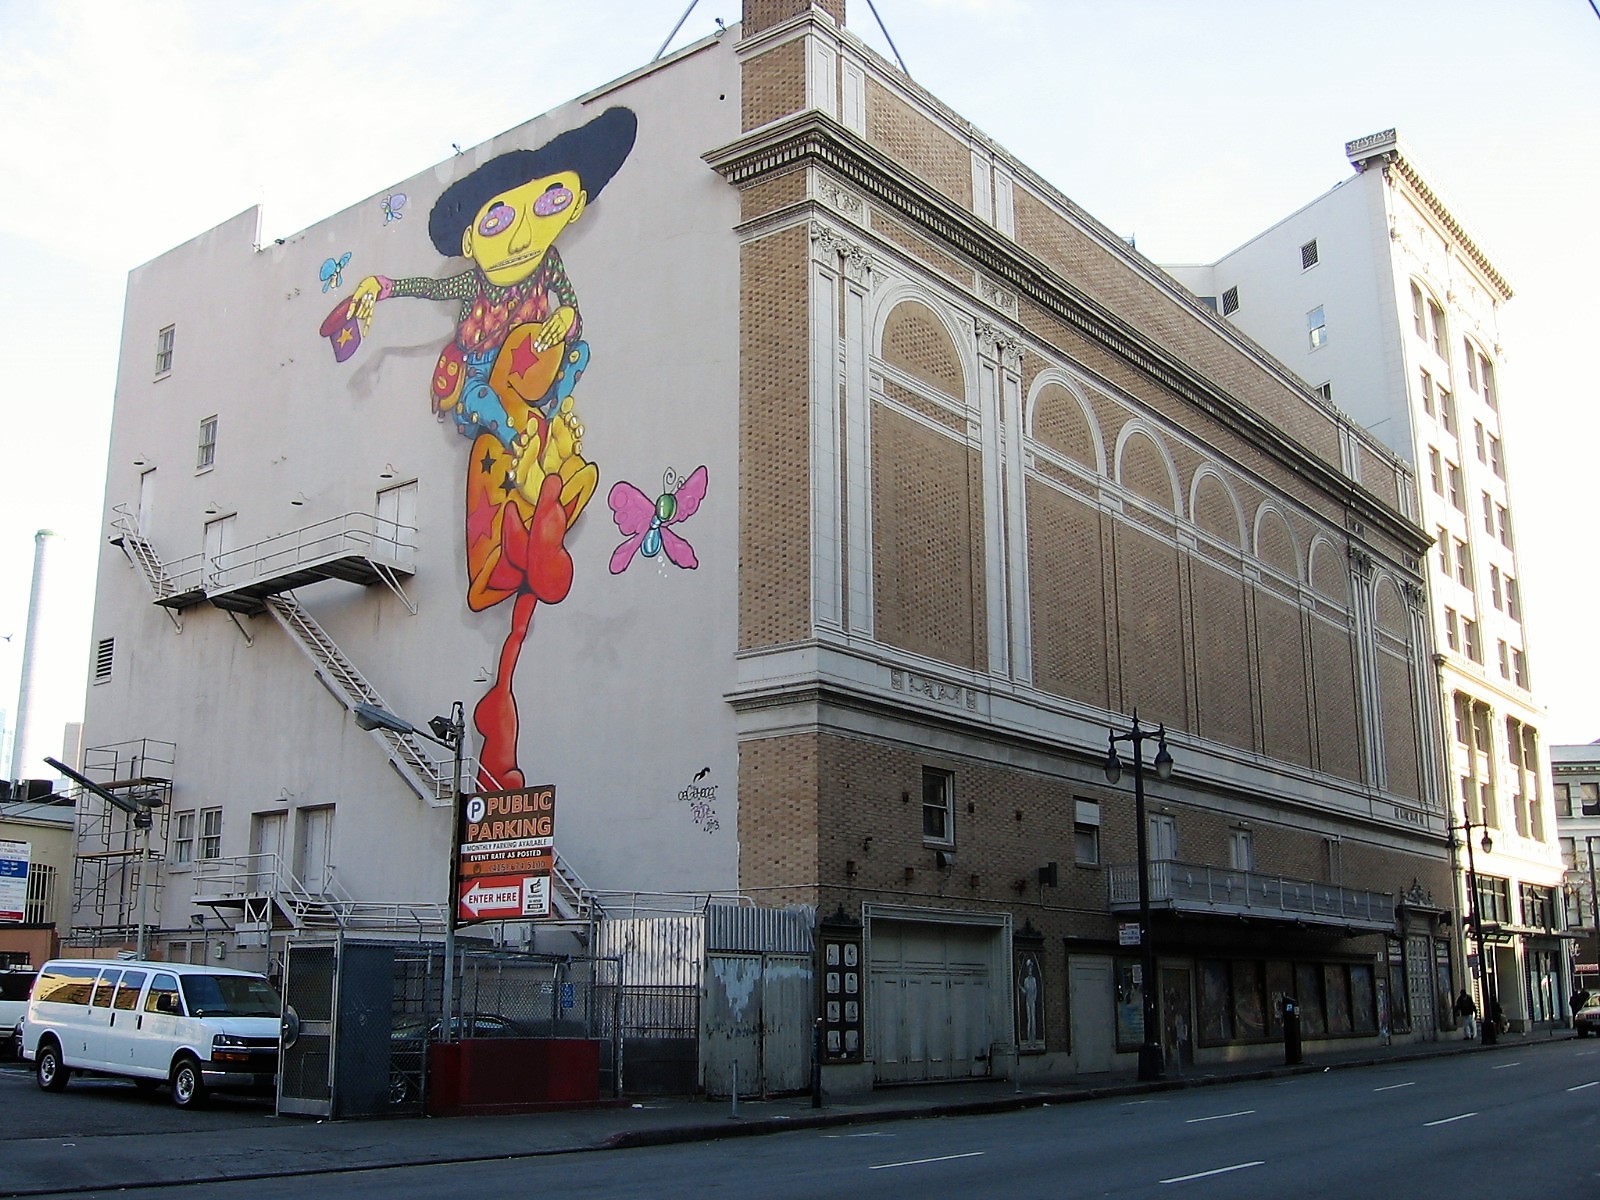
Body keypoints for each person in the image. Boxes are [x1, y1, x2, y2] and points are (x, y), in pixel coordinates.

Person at [322, 107, 637, 789]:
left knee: (570, 388)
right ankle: (528, 511)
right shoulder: (474, 282)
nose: (523, 233)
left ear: (572, 204)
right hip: (487, 388)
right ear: (469, 238)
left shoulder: (549, 267)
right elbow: (429, 288)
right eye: (497, 221)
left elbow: (572, 313)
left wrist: (560, 329)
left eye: (547, 204)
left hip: (540, 384)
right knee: (484, 406)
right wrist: (378, 286)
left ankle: (542, 509)